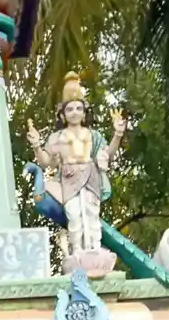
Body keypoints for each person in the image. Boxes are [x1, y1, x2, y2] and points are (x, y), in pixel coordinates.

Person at [27, 71, 125, 268]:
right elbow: (46, 162)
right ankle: (77, 250)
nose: (74, 112)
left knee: (91, 214)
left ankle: (94, 248)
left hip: (90, 176)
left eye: (78, 108)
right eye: (70, 109)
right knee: (74, 215)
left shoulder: (93, 135)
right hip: (68, 178)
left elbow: (108, 153)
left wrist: (118, 134)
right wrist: (37, 145)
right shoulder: (57, 137)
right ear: (62, 114)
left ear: (84, 111)